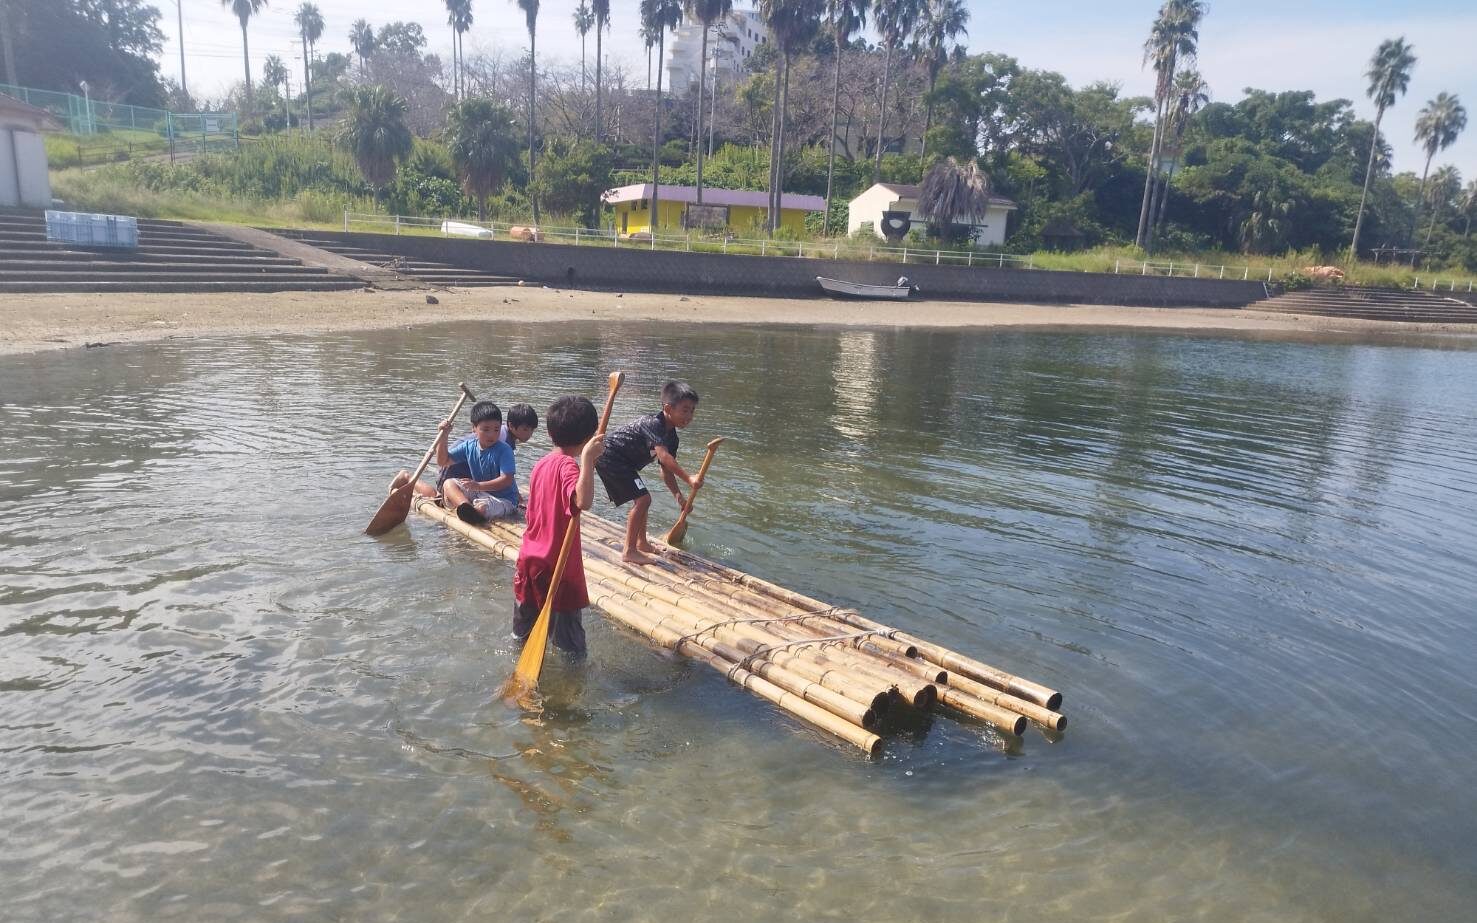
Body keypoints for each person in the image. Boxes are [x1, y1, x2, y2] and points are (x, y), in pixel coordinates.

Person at [513, 395, 604, 656]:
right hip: (558, 567)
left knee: (522, 635)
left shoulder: (542, 463)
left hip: (529, 560)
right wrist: (587, 461)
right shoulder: (568, 467)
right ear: (588, 437)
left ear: (550, 432)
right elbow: (583, 501)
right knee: (571, 650)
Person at [595, 380, 703, 565]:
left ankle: (642, 543)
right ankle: (629, 551)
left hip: (626, 463)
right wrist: (689, 478)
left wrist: (679, 497)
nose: (689, 416)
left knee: (643, 498)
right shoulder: (652, 423)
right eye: (685, 410)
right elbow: (664, 456)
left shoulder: (672, 438)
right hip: (609, 456)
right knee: (643, 499)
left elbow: (666, 470)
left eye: (692, 411)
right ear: (668, 408)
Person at [438, 400, 520, 525]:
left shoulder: (505, 450)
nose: (491, 435)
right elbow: (443, 461)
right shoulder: (469, 446)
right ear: (474, 428)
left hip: (504, 499)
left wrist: (478, 485)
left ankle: (474, 512)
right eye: (486, 429)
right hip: (481, 493)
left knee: (483, 507)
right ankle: (465, 506)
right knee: (449, 484)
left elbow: (506, 480)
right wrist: (443, 436)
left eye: (496, 429)